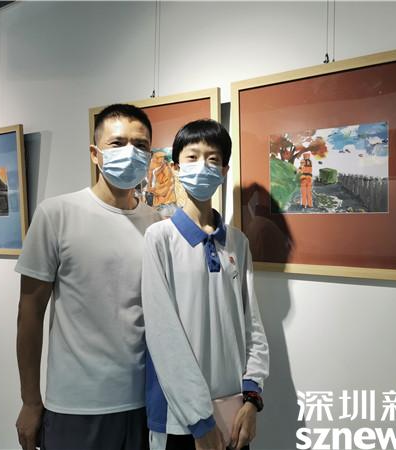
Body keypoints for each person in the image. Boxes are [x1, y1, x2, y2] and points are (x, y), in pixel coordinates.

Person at [14, 104, 161, 450]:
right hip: (76, 404)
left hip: (144, 401)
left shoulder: (155, 223)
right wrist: (31, 401)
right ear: (96, 153)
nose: (130, 152)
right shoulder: (57, 214)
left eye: (140, 145)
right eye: (118, 143)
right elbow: (30, 313)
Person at [141, 119, 269, 450]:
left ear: (224, 170)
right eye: (192, 157)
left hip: (235, 412)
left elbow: (252, 326)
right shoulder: (160, 238)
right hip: (180, 419)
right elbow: (163, 335)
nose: (203, 166)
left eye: (213, 159)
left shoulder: (237, 242)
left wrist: (252, 398)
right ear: (176, 167)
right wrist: (199, 419)